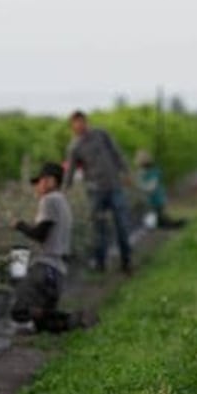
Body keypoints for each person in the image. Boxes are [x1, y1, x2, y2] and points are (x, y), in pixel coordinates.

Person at [11, 162, 91, 333]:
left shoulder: (49, 200)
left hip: (45, 268)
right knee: (42, 323)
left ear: (50, 181)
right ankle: (72, 320)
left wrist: (20, 225)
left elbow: (40, 233)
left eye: (40, 181)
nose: (37, 187)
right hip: (58, 273)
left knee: (19, 311)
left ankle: (65, 317)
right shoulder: (62, 201)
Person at [63, 111, 133, 274]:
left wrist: (125, 172)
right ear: (72, 126)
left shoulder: (101, 134)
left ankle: (126, 261)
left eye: (82, 122)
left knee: (122, 224)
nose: (80, 126)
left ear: (86, 122)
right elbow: (70, 171)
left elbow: (116, 154)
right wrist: (64, 190)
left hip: (114, 186)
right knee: (98, 228)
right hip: (95, 191)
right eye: (76, 123)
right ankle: (100, 263)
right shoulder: (74, 147)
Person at [134, 150, 184, 229]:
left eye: (139, 158)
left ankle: (174, 223)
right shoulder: (140, 173)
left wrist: (138, 185)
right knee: (151, 223)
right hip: (147, 204)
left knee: (157, 224)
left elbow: (151, 188)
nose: (137, 160)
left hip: (156, 202)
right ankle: (165, 220)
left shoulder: (154, 171)